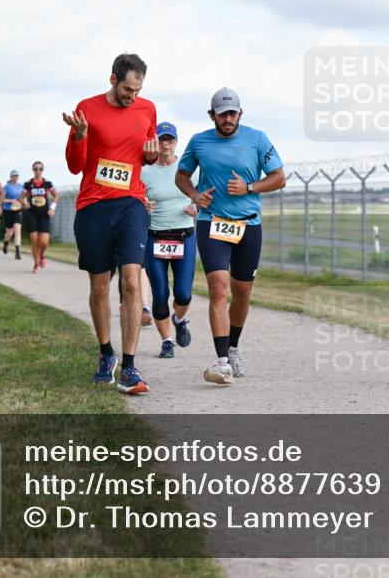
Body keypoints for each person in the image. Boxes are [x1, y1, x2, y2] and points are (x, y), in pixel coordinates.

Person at [62, 52, 159, 395]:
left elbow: (146, 155)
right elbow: (76, 166)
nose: (132, 96)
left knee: (132, 282)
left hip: (131, 203)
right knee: (100, 286)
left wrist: (151, 155)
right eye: (128, 89)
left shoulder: (147, 109)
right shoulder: (87, 108)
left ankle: (130, 367)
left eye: (138, 90)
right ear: (113, 79)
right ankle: (106, 354)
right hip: (93, 206)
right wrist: (79, 136)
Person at [176, 88, 285, 385]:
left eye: (232, 113)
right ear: (212, 115)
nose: (227, 119)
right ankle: (221, 360)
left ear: (240, 114)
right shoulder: (199, 142)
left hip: (248, 224)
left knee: (242, 291)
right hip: (212, 222)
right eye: (222, 114)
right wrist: (196, 196)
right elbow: (181, 176)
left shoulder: (257, 139)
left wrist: (249, 188)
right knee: (217, 287)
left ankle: (233, 346)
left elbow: (279, 177)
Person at [142, 122, 198, 359]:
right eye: (161, 139)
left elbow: (205, 195)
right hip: (156, 237)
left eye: (169, 140)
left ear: (176, 142)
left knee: (183, 294)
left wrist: (197, 205)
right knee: (161, 294)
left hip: (184, 236)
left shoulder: (187, 169)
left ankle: (180, 319)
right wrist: (143, 204)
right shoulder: (144, 171)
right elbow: (135, 197)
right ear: (155, 142)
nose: (165, 144)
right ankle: (167, 341)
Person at [22, 161, 58, 273]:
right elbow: (21, 197)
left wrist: (52, 207)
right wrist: (24, 203)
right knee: (33, 239)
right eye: (36, 168)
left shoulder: (47, 184)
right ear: (33, 170)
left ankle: (42, 254)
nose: (38, 170)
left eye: (40, 168)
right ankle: (36, 264)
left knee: (44, 242)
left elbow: (56, 196)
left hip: (44, 214)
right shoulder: (28, 184)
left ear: (42, 170)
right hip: (32, 214)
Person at [1, 170, 25, 259]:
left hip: (18, 209)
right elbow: (2, 199)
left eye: (16, 176)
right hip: (8, 209)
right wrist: (11, 200)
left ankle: (17, 251)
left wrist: (24, 202)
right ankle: (6, 242)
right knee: (9, 232)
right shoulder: (7, 187)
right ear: (10, 177)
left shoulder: (21, 187)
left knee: (17, 229)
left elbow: (23, 197)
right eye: (13, 176)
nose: (15, 177)